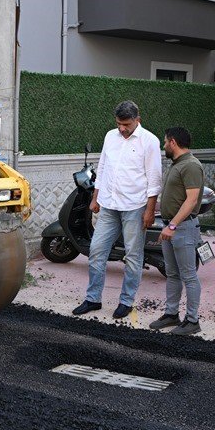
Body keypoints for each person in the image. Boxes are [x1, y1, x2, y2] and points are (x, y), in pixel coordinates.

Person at [73, 100, 162, 320]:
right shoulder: (110, 136)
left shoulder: (149, 141)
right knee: (96, 251)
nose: (122, 128)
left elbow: (154, 178)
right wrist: (96, 198)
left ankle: (126, 301)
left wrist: (150, 210)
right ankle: (93, 298)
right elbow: (103, 167)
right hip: (109, 205)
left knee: (133, 256)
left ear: (137, 120)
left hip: (134, 206)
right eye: (119, 124)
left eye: (126, 124)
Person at [148, 127, 205, 335]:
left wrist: (172, 225)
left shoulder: (191, 165)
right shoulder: (178, 164)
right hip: (170, 226)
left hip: (183, 228)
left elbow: (191, 200)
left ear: (173, 142)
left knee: (189, 275)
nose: (164, 146)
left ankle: (192, 321)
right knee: (172, 273)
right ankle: (171, 314)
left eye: (165, 142)